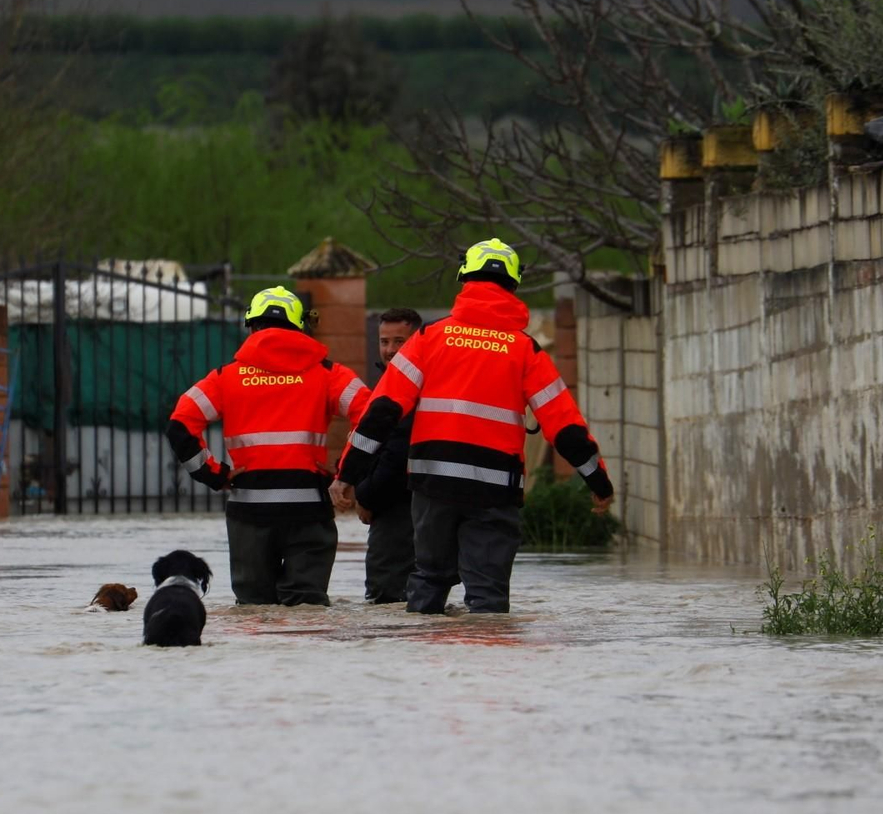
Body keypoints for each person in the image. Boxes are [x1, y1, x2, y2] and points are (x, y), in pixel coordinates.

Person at [331, 239, 613, 614]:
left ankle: (423, 670)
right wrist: (599, 483)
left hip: (433, 489)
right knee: (488, 598)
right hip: (494, 493)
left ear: (464, 280)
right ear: (513, 286)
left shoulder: (429, 338)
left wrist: (347, 474)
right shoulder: (524, 350)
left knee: (428, 583)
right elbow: (565, 428)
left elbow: (382, 412)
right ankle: (490, 668)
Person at [167, 286, 370, 606]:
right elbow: (372, 417)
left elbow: (179, 426)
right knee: (307, 608)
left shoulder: (225, 377)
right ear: (299, 327)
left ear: (252, 326)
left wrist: (215, 474)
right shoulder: (328, 374)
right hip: (309, 509)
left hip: (249, 511)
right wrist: (346, 471)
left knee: (254, 611)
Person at [355, 307, 422, 603]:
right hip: (409, 503)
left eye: (399, 342)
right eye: (384, 342)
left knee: (386, 596)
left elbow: (396, 452)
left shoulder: (409, 389)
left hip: (398, 506)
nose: (391, 350)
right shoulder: (386, 384)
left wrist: (366, 495)